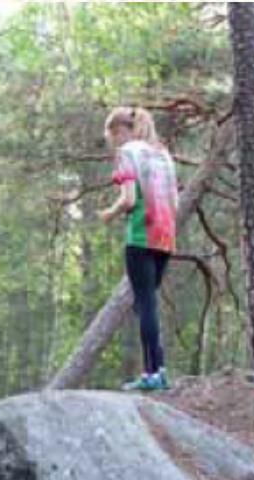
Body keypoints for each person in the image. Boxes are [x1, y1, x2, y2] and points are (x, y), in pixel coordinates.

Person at [99, 106, 178, 391]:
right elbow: (175, 202)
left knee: (145, 304)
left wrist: (109, 213)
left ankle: (151, 374)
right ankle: (161, 370)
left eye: (113, 136)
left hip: (141, 234)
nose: (114, 143)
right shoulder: (162, 154)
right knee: (148, 303)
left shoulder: (127, 152)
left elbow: (129, 199)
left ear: (120, 131)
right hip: (166, 236)